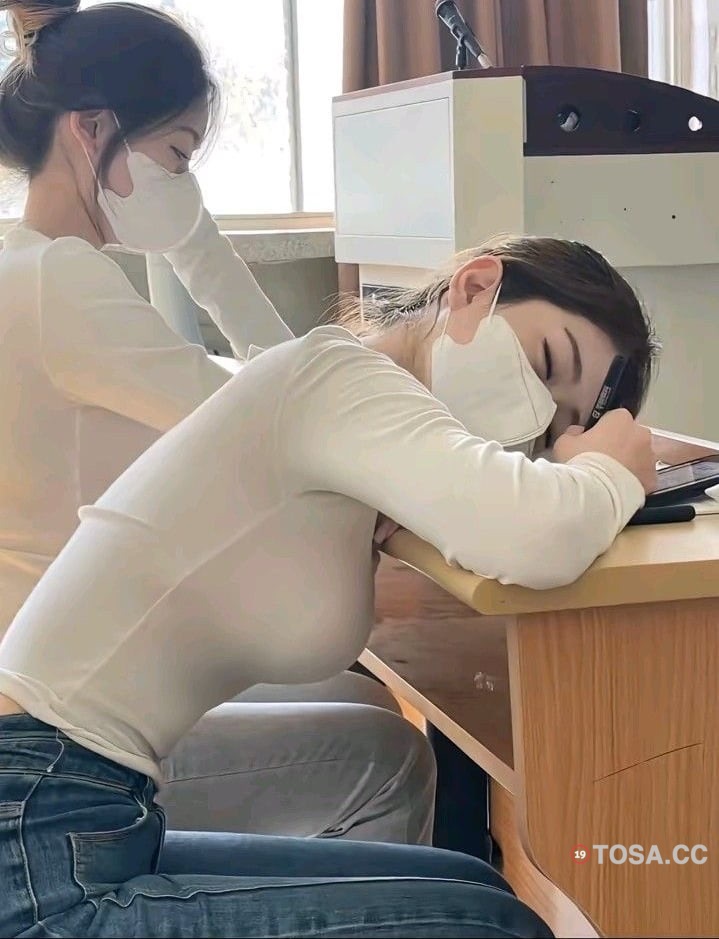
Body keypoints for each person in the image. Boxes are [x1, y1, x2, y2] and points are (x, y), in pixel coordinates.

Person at [0, 221, 659, 937]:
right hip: (36, 833)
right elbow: (533, 532)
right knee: (491, 926)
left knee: (472, 882)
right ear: (474, 287)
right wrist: (609, 470)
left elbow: (503, 517)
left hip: (80, 809)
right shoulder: (337, 376)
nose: (536, 413)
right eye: (546, 362)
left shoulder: (355, 421)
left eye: (558, 424)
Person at [0, 0, 437, 843]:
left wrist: (191, 236)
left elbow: (271, 391)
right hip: (53, 726)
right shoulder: (61, 284)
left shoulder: (29, 269)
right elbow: (276, 412)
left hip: (51, 664)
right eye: (176, 155)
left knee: (355, 694)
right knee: (386, 754)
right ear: (91, 131)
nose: (183, 187)